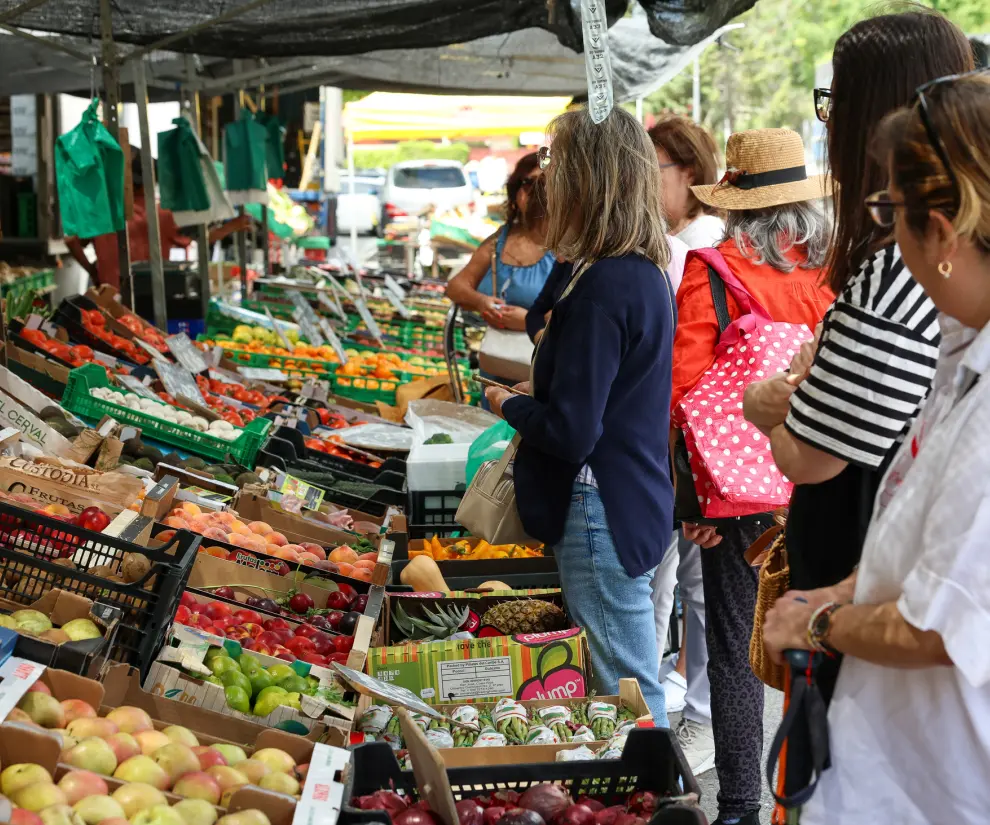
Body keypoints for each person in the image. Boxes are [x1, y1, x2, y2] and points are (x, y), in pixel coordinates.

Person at [743, 10, 974, 801]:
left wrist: (817, 621)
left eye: (893, 212)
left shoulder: (895, 289)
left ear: (939, 229)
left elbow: (944, 619)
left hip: (920, 756)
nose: (888, 232)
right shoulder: (955, 349)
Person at [484, 106, 675, 726]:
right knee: (622, 684)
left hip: (599, 506)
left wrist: (507, 403)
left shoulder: (604, 285)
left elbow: (572, 431)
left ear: (588, 179)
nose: (545, 179)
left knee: (627, 692)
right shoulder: (639, 273)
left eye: (557, 163)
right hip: (629, 495)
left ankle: (667, 804)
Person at [673, 128, 834, 825]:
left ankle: (739, 805)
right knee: (828, 640)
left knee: (739, 646)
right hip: (830, 486)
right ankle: (818, 799)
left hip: (743, 499)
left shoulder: (711, 269)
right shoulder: (837, 272)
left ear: (736, 204)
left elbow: (684, 392)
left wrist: (697, 495)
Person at [647, 115, 724, 768]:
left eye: (655, 170)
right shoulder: (674, 241)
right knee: (661, 578)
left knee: (693, 586)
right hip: (670, 441)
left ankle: (699, 717)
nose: (646, 183)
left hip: (692, 446)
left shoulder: (699, 247)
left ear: (689, 174)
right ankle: (653, 706)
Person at [446, 153, 556, 395]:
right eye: (528, 184)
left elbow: (578, 315)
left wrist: (528, 321)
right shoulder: (500, 239)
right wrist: (482, 302)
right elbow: (456, 286)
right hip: (496, 370)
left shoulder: (566, 247)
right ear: (515, 192)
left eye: (545, 184)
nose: (538, 193)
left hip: (543, 376)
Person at [66, 149, 248, 290]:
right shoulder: (160, 213)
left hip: (106, 294)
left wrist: (93, 271)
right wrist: (233, 225)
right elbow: (201, 239)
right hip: (146, 295)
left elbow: (71, 240)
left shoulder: (102, 212)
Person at [648, 115, 725, 248]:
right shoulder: (683, 233)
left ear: (690, 174)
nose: (647, 180)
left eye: (654, 170)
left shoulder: (704, 238)